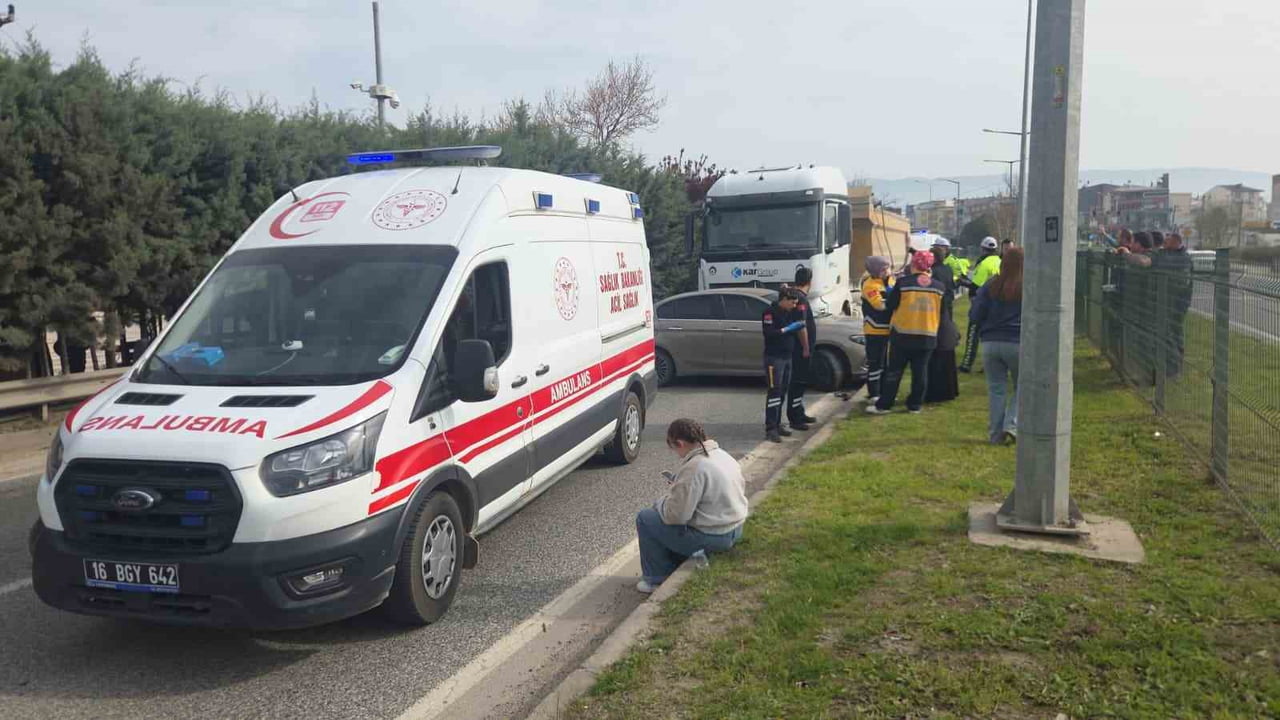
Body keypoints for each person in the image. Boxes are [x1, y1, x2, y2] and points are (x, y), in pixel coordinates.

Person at [635, 419, 748, 593]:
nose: (675, 453)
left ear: (679, 443)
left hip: (715, 537)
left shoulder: (694, 467)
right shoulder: (722, 455)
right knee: (667, 516)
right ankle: (681, 557)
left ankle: (656, 579)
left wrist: (662, 502)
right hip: (736, 528)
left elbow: (676, 516)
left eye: (673, 447)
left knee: (646, 518)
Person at [866, 251, 943, 415]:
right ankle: (915, 405)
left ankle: (884, 405)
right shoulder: (939, 287)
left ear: (913, 264)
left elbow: (890, 305)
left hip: (903, 334)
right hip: (928, 335)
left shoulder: (903, 284)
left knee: (894, 372)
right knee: (920, 372)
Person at [970, 247, 1024, 444]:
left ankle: (995, 434)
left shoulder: (990, 285)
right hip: (1019, 342)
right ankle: (1011, 424)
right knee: (1023, 386)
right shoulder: (1028, 286)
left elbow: (975, 315)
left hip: (990, 343)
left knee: (996, 389)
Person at [762, 289, 805, 442]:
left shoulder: (790, 312)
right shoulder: (770, 312)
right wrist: (787, 329)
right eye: (792, 302)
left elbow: (801, 318)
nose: (794, 305)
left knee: (782, 392)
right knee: (774, 391)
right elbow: (769, 333)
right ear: (784, 299)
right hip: (774, 359)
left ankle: (778, 424)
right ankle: (771, 428)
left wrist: (800, 311)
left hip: (787, 358)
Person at [959, 236, 1002, 372]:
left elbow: (976, 286)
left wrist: (961, 281)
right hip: (998, 304)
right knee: (993, 336)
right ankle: (991, 366)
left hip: (982, 303)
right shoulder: (1000, 261)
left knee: (973, 333)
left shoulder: (984, 264)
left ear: (983, 249)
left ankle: (967, 364)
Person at [926, 238, 961, 403]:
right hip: (947, 310)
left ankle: (935, 390)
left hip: (936, 312)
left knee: (937, 351)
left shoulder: (933, 273)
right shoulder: (947, 269)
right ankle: (950, 388)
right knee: (947, 349)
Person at [1154, 232, 1192, 377]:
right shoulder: (1169, 254)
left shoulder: (1183, 258)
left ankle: (1176, 366)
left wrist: (1159, 252)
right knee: (1167, 331)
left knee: (1174, 333)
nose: (1164, 243)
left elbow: (1181, 281)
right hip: (1168, 301)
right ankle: (1169, 364)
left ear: (1176, 242)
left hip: (1177, 303)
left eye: (1167, 241)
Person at [785, 268, 818, 432]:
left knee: (800, 382)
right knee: (798, 382)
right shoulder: (801, 299)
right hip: (800, 349)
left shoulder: (794, 295)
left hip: (797, 348)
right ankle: (795, 418)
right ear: (809, 282)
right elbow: (800, 326)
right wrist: (806, 347)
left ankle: (799, 411)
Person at [860, 256, 893, 404]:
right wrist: (896, 301)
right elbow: (879, 305)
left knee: (885, 364)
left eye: (888, 268)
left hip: (887, 330)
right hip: (874, 330)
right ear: (876, 271)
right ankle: (874, 394)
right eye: (884, 269)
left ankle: (884, 392)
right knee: (875, 364)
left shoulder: (890, 281)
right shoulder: (870, 285)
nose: (888, 271)